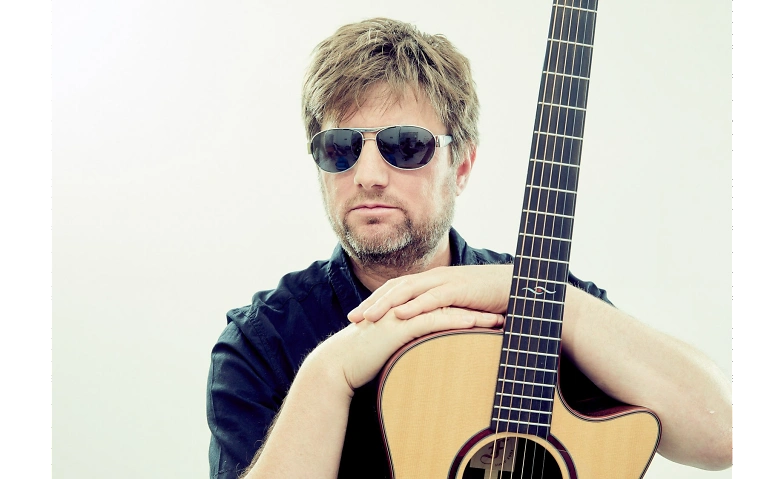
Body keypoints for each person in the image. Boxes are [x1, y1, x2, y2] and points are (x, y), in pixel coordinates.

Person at [206, 17, 734, 479]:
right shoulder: (261, 341)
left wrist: (545, 300)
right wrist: (329, 372)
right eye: (339, 148)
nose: (367, 175)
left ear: (461, 167)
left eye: (404, 146)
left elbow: (723, 436)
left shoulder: (542, 295)